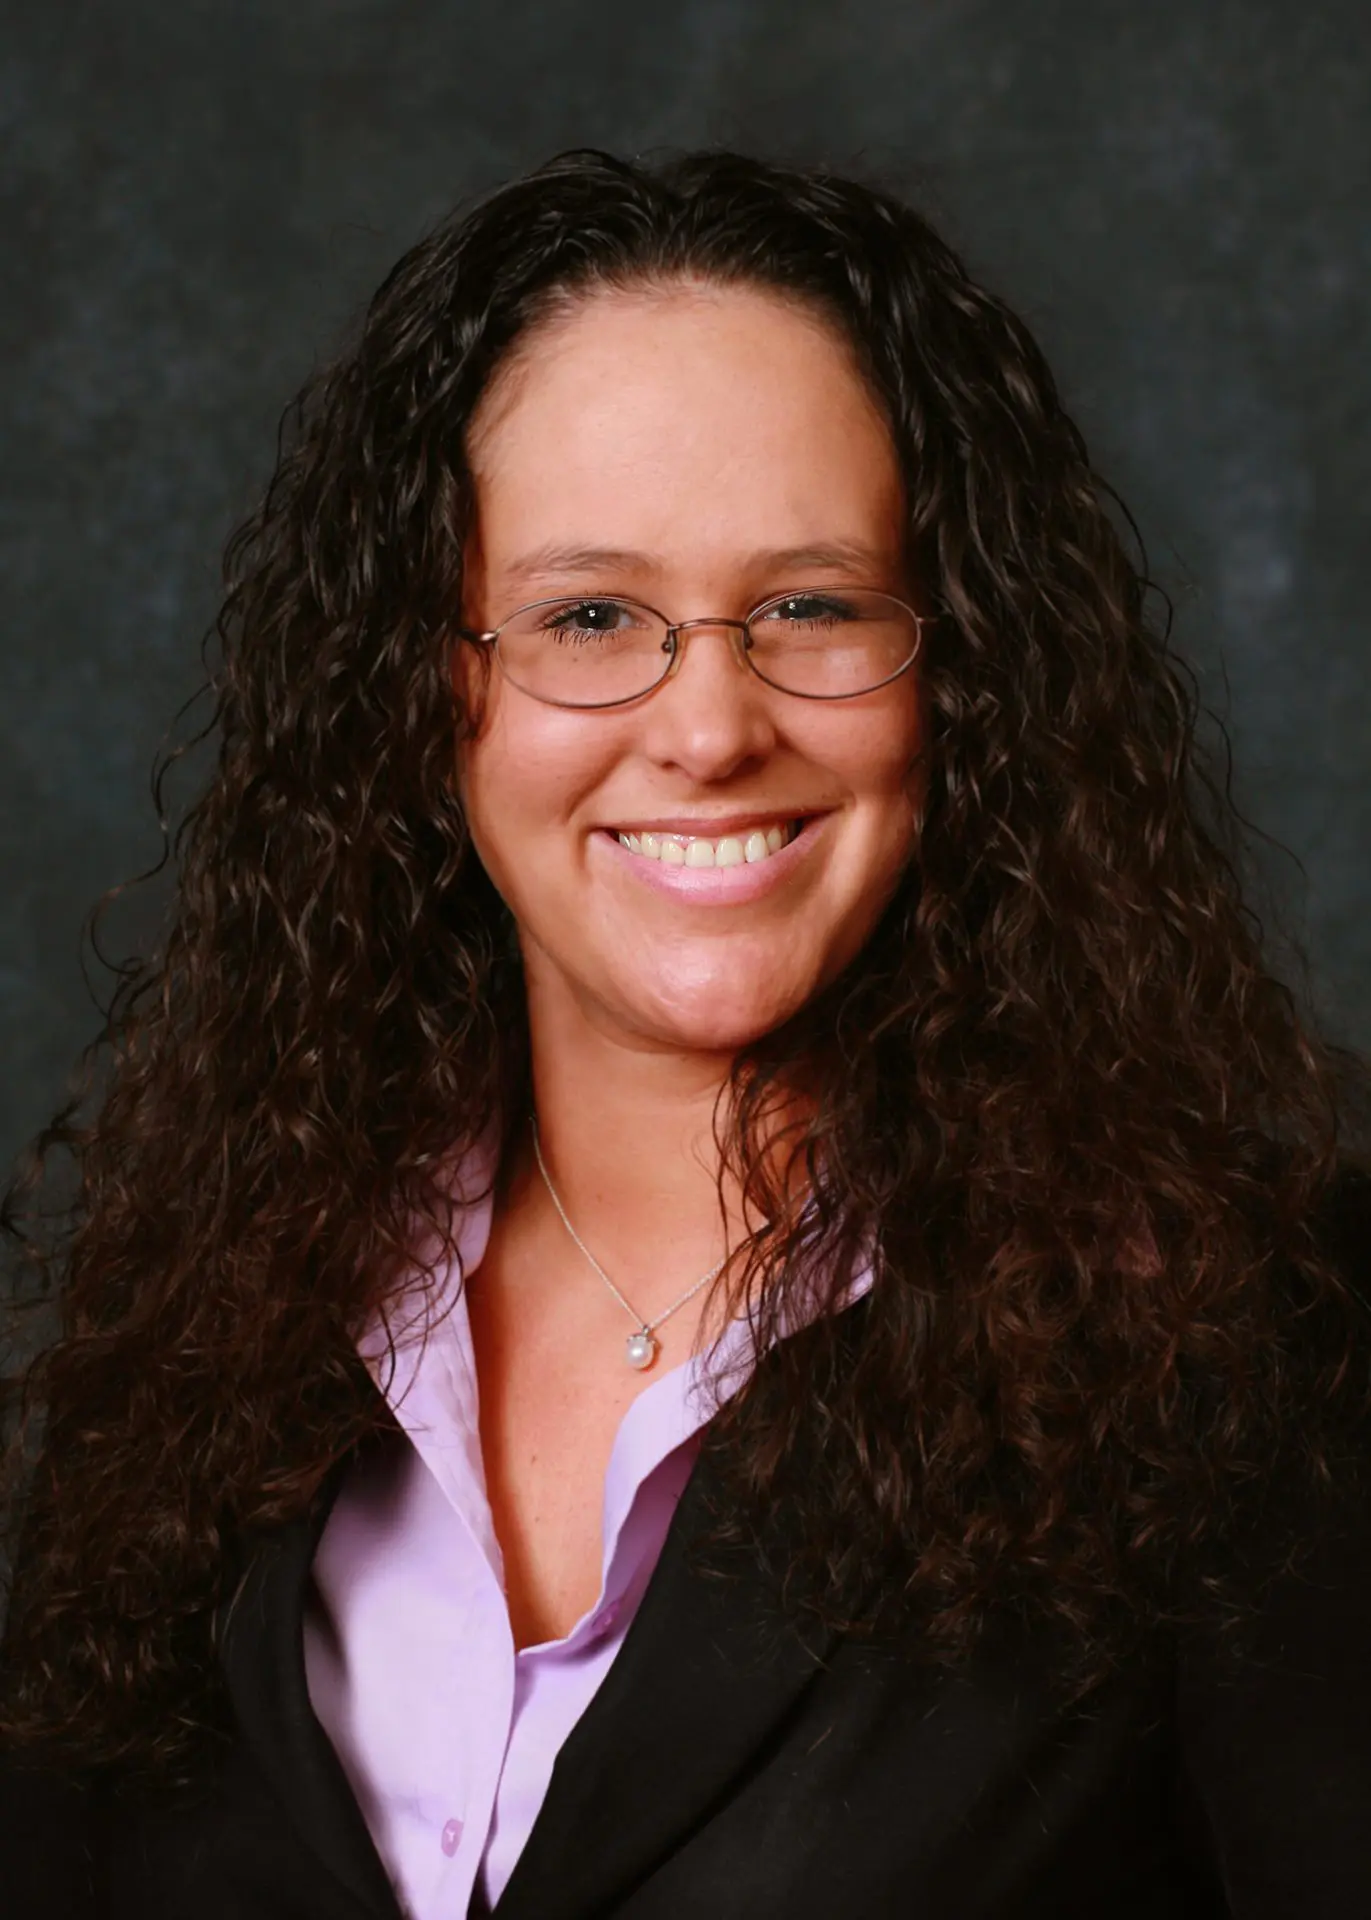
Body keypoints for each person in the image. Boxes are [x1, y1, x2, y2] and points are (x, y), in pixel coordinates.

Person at [2, 145, 1371, 1919]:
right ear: (434, 697)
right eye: (588, 618)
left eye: (811, 606)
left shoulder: (1261, 1323)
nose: (709, 725)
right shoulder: (194, 1323)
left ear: (957, 671)